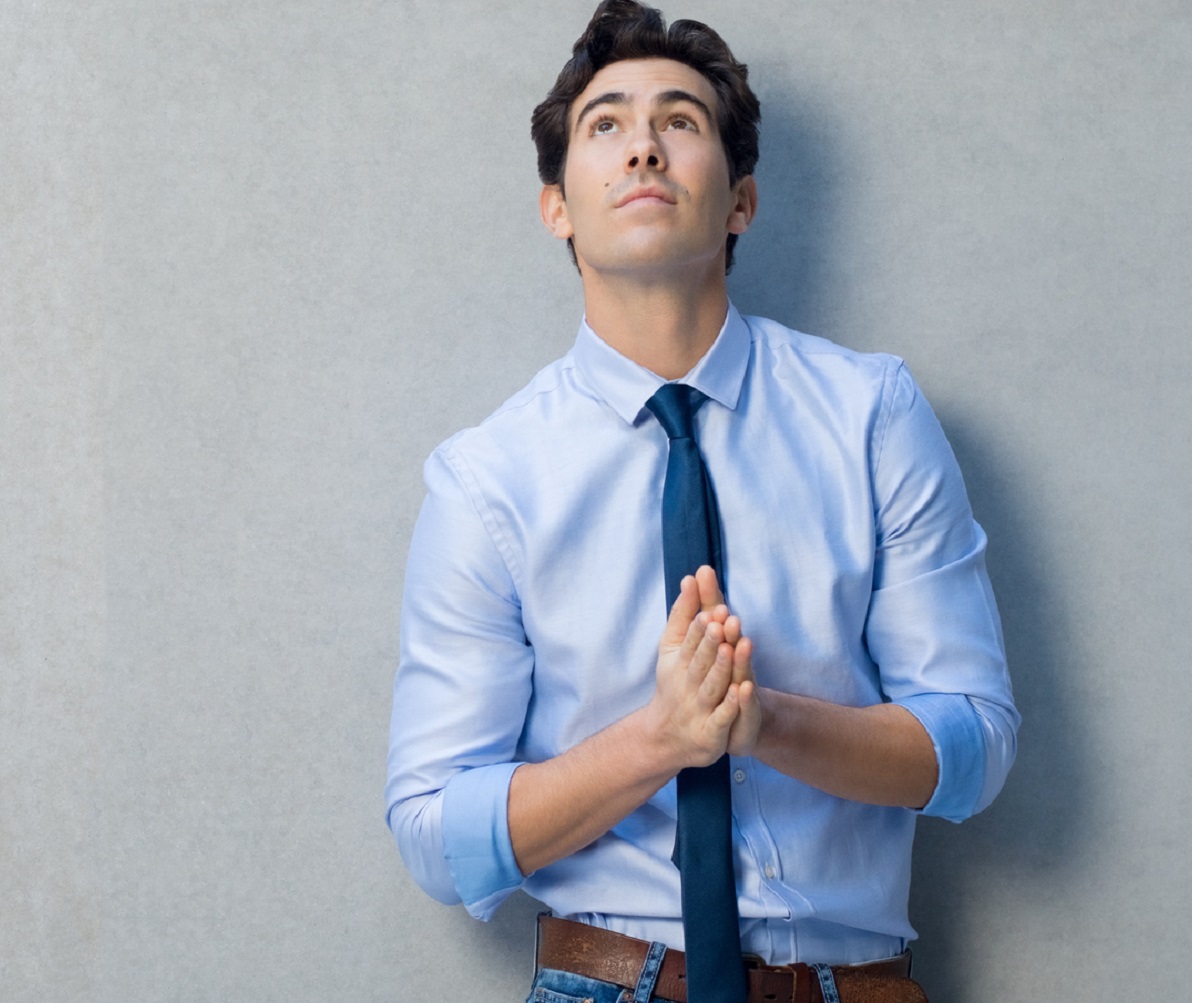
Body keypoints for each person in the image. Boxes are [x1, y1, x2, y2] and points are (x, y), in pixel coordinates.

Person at [382, 3, 1020, 1001]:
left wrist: (760, 722)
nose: (642, 145)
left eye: (679, 121)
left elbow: (975, 747)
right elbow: (433, 833)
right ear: (558, 205)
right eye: (606, 126)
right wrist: (663, 738)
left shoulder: (872, 416)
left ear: (741, 202)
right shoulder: (487, 480)